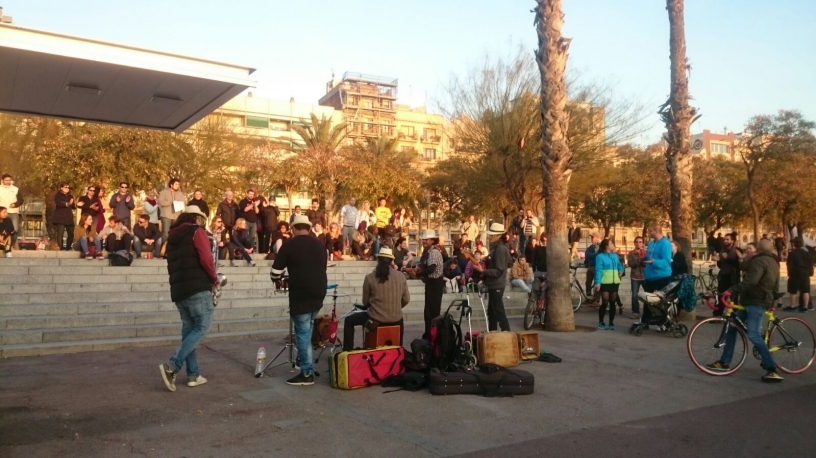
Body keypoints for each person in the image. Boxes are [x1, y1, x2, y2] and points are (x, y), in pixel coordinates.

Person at [159, 205, 219, 392]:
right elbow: (206, 259)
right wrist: (214, 278)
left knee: (189, 331)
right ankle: (172, 366)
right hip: (197, 287)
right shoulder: (196, 231)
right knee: (203, 327)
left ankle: (193, 374)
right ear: (198, 219)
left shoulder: (173, 237)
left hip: (179, 290)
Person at [707, 239, 783, 383]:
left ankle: (771, 369)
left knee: (753, 335)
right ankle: (724, 361)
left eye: (750, 249)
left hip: (757, 300)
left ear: (757, 250)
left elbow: (751, 281)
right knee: (732, 327)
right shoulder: (771, 261)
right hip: (754, 299)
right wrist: (740, 258)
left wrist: (731, 289)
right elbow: (743, 267)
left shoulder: (759, 262)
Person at [269, 214, 328, 386]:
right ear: (309, 228)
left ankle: (306, 372)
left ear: (294, 229)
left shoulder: (289, 245)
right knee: (307, 327)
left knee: (302, 332)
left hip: (301, 294)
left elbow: (275, 273)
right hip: (319, 291)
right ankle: (305, 362)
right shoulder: (319, 245)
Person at [343, 247, 409, 351]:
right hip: (396, 319)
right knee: (399, 320)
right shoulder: (401, 276)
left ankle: (347, 351)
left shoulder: (370, 277)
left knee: (349, 320)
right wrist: (394, 306)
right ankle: (398, 350)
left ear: (378, 260)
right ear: (392, 261)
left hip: (375, 319)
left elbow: (365, 302)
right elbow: (406, 299)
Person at [416, 230, 445, 338]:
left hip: (435, 283)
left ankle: (432, 335)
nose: (424, 241)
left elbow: (431, 268)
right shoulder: (429, 251)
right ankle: (429, 334)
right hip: (432, 283)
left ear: (432, 240)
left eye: (426, 239)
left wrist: (419, 274)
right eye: (423, 239)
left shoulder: (433, 252)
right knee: (429, 311)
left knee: (432, 312)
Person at [482, 223, 511, 331]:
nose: (490, 237)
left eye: (492, 235)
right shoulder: (498, 248)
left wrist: (484, 271)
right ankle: (493, 333)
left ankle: (507, 333)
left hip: (497, 284)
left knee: (498, 312)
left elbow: (499, 270)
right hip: (495, 284)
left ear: (499, 236)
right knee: (492, 312)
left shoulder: (500, 249)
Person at [595, 239, 625, 330]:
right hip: (604, 282)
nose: (613, 244)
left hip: (614, 282)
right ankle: (601, 322)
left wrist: (621, 270)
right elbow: (598, 270)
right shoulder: (600, 256)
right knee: (604, 302)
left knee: (613, 302)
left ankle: (611, 322)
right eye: (611, 243)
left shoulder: (615, 256)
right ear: (606, 246)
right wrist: (598, 283)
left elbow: (620, 265)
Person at [713, 233, 742, 316]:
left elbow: (738, 265)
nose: (725, 241)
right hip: (724, 276)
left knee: (733, 297)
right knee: (720, 296)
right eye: (724, 239)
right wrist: (718, 260)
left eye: (727, 239)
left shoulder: (737, 250)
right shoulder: (722, 250)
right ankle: (717, 314)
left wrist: (728, 259)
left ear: (732, 241)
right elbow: (720, 266)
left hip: (733, 277)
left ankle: (735, 315)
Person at [784, 237, 813, 313]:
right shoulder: (807, 253)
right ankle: (805, 307)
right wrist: (810, 272)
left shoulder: (792, 253)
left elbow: (790, 264)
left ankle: (792, 306)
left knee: (793, 290)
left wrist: (789, 273)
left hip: (795, 273)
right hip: (805, 273)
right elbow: (810, 264)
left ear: (794, 244)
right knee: (806, 290)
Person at [643, 223, 673, 293]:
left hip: (661, 278)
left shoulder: (665, 243)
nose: (648, 233)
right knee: (648, 302)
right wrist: (642, 259)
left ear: (656, 231)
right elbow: (649, 257)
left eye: (650, 231)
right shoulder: (650, 243)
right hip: (649, 278)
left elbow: (666, 261)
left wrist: (654, 262)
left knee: (658, 302)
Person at [158, 178, 186, 254]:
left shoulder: (180, 194)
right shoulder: (163, 192)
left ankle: (174, 251)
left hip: (176, 216)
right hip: (166, 215)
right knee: (166, 234)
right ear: (171, 185)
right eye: (176, 184)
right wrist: (171, 202)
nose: (178, 186)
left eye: (178, 185)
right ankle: (164, 251)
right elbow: (161, 202)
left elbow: (183, 204)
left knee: (175, 233)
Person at [626, 236, 647, 319]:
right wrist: (638, 262)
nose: (638, 243)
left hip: (645, 276)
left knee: (648, 295)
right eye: (637, 242)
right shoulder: (631, 253)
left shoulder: (646, 252)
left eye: (640, 242)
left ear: (643, 243)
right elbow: (630, 264)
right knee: (634, 295)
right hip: (635, 276)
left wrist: (644, 260)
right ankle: (635, 312)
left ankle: (647, 313)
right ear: (634, 243)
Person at [0, 175, 23, 248]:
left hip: (13, 212)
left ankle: (12, 245)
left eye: (9, 180)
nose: (8, 182)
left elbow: (21, 200)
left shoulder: (16, 189)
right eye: (6, 180)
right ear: (2, 180)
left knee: (14, 230)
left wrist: (15, 204)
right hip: (2, 212)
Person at [53, 183, 76, 251]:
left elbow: (73, 207)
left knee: (71, 234)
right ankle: (60, 248)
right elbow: (58, 203)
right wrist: (67, 203)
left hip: (69, 217)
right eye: (66, 187)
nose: (67, 189)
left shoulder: (70, 196)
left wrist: (74, 204)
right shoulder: (58, 195)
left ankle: (68, 248)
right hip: (60, 217)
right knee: (60, 234)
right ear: (61, 188)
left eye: (68, 188)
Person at [584, 233, 600, 303]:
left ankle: (597, 299)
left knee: (597, 283)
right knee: (588, 282)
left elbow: (599, 256)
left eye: (593, 237)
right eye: (591, 237)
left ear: (597, 238)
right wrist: (595, 255)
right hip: (590, 267)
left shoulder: (601, 247)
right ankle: (588, 296)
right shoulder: (590, 247)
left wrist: (593, 255)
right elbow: (587, 256)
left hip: (597, 267)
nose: (592, 239)